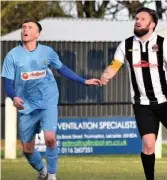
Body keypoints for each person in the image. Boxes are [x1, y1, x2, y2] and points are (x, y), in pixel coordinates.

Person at [1, 19, 101, 180]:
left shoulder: (47, 52)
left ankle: (52, 176)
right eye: (23, 27)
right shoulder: (12, 56)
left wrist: (84, 81)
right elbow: (7, 84)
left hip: (48, 101)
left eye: (30, 27)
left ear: (37, 34)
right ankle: (42, 172)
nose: (25, 30)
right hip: (26, 106)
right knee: (27, 149)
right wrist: (14, 97)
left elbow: (63, 69)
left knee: (50, 138)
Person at [99, 7, 167, 180]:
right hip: (142, 104)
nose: (137, 21)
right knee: (148, 145)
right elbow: (114, 66)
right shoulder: (125, 45)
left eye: (142, 19)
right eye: (136, 18)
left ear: (152, 24)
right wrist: (105, 76)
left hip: (166, 101)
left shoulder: (163, 44)